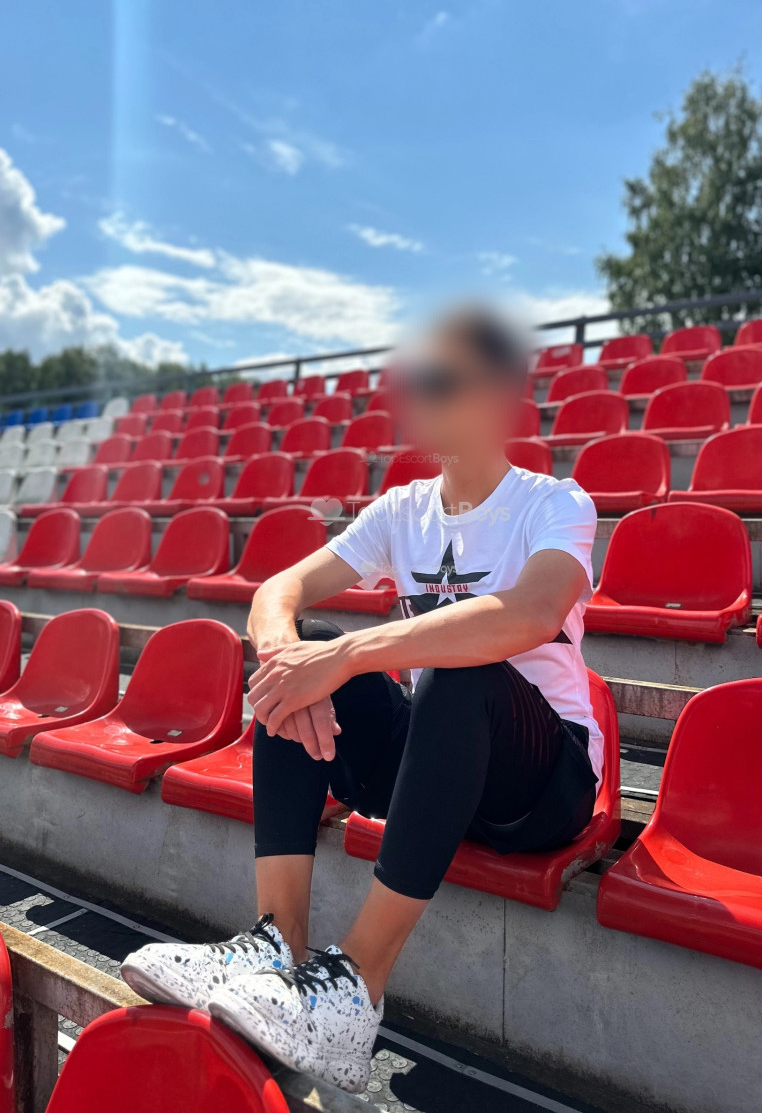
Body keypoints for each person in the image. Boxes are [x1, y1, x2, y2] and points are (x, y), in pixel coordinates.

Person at [121, 306, 600, 1095]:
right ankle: (278, 946)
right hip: (440, 768)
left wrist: (345, 658)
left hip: (541, 784)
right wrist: (294, 662)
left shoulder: (554, 503)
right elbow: (278, 592)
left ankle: (356, 990)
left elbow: (531, 613)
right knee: (301, 645)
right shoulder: (402, 509)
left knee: (453, 664)